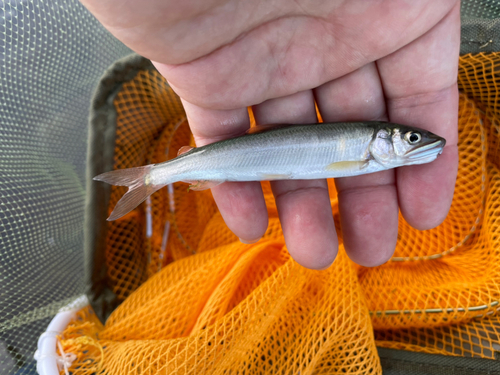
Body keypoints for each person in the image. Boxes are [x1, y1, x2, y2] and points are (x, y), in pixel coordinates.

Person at [81, 0, 460, 270]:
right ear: (381, 140)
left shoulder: (367, 149)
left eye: (412, 139)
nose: (419, 142)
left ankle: (153, 176)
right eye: (410, 139)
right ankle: (151, 177)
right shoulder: (365, 152)